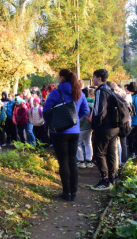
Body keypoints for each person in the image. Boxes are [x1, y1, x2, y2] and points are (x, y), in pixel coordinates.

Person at [43, 69, 88, 201]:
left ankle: (66, 192)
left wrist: (53, 124)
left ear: (62, 78)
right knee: (72, 160)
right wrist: (74, 121)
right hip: (74, 131)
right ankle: (74, 192)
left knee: (63, 162)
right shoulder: (79, 93)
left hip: (59, 132)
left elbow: (45, 111)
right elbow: (85, 110)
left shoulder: (55, 93)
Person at [91, 69, 119, 190]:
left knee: (100, 152)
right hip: (114, 127)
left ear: (99, 79)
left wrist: (95, 125)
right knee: (111, 152)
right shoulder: (110, 90)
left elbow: (99, 111)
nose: (93, 79)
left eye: (94, 77)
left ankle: (105, 180)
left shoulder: (100, 91)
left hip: (104, 128)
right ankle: (113, 178)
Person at [77, 88, 95, 168]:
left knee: (78, 143)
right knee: (88, 143)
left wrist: (77, 124)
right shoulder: (93, 104)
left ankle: (81, 161)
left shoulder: (84, 104)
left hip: (82, 127)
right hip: (90, 126)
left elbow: (82, 117)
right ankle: (89, 160)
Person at [126, 82, 137, 159]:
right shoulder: (136, 96)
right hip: (136, 120)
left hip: (136, 121)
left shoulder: (136, 98)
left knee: (131, 136)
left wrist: (133, 116)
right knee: (136, 136)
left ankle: (133, 152)